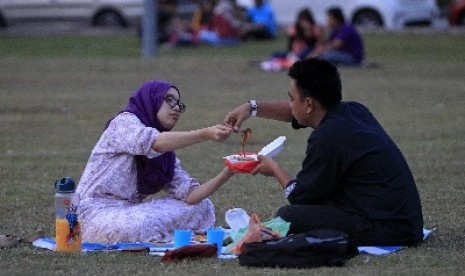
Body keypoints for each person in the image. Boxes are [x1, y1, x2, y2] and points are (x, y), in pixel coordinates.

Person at [223, 58, 424, 246]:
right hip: (404, 220)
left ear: (309, 104)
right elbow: (296, 113)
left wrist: (275, 169)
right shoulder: (354, 111)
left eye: (292, 99)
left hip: (390, 229)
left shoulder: (328, 137)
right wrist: (251, 108)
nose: (290, 105)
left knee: (289, 216)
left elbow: (301, 197)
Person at [77, 80, 235, 243]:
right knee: (140, 225)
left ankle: (158, 233)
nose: (176, 108)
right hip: (92, 213)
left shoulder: (165, 154)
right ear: (150, 99)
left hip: (129, 211)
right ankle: (159, 232)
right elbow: (153, 143)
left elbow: (191, 196)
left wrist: (228, 172)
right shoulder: (123, 123)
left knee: (202, 206)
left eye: (179, 104)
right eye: (169, 100)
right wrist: (205, 134)